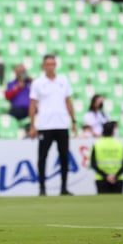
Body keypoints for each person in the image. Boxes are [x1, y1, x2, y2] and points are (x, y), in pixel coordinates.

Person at [28, 54, 77, 196]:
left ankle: (64, 188)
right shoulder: (38, 83)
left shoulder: (63, 80)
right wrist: (32, 125)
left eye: (53, 64)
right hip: (45, 125)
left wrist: (73, 120)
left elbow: (68, 101)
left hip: (62, 124)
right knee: (42, 157)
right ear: (43, 66)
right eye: (48, 64)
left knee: (64, 157)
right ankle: (42, 188)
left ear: (55, 65)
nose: (50, 66)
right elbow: (32, 105)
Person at [90, 121, 123, 194]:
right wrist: (115, 176)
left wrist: (106, 176)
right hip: (118, 179)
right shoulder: (120, 144)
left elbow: (93, 164)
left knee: (102, 204)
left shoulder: (97, 145)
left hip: (101, 179)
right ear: (113, 132)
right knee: (118, 204)